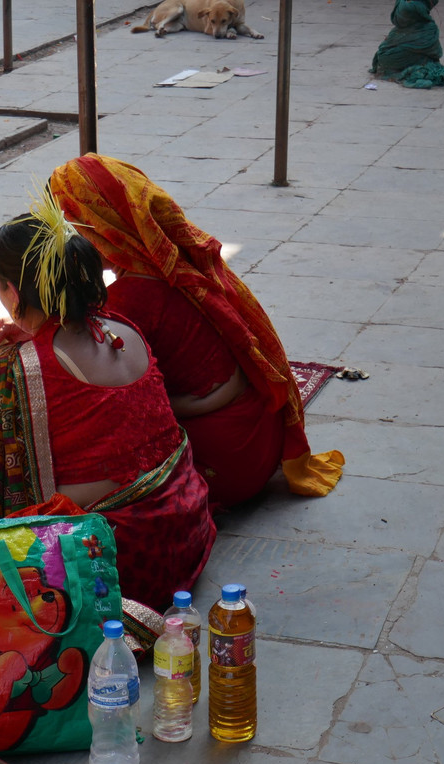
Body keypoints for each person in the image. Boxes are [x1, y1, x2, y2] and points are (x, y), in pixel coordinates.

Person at [0, 188, 216, 610]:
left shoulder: (20, 367)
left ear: (14, 293)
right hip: (184, 523)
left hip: (118, 558)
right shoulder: (118, 325)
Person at [49, 153, 345, 511]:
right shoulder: (180, 259)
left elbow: (118, 405)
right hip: (262, 438)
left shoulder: (128, 300)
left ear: (102, 228)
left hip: (227, 463)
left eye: (72, 227)